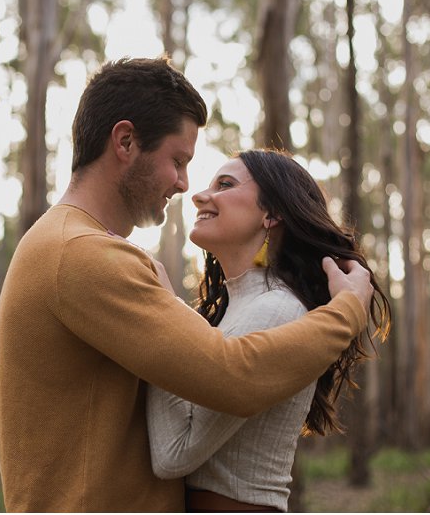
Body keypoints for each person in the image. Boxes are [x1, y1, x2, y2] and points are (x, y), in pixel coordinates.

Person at [0, 57, 374, 512]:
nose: (184, 184)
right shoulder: (80, 253)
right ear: (126, 141)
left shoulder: (68, 245)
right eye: (178, 161)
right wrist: (346, 312)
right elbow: (230, 374)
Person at [147, 149, 392, 512]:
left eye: (225, 185)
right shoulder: (239, 309)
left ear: (271, 214)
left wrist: (158, 312)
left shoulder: (277, 309)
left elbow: (174, 454)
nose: (199, 195)